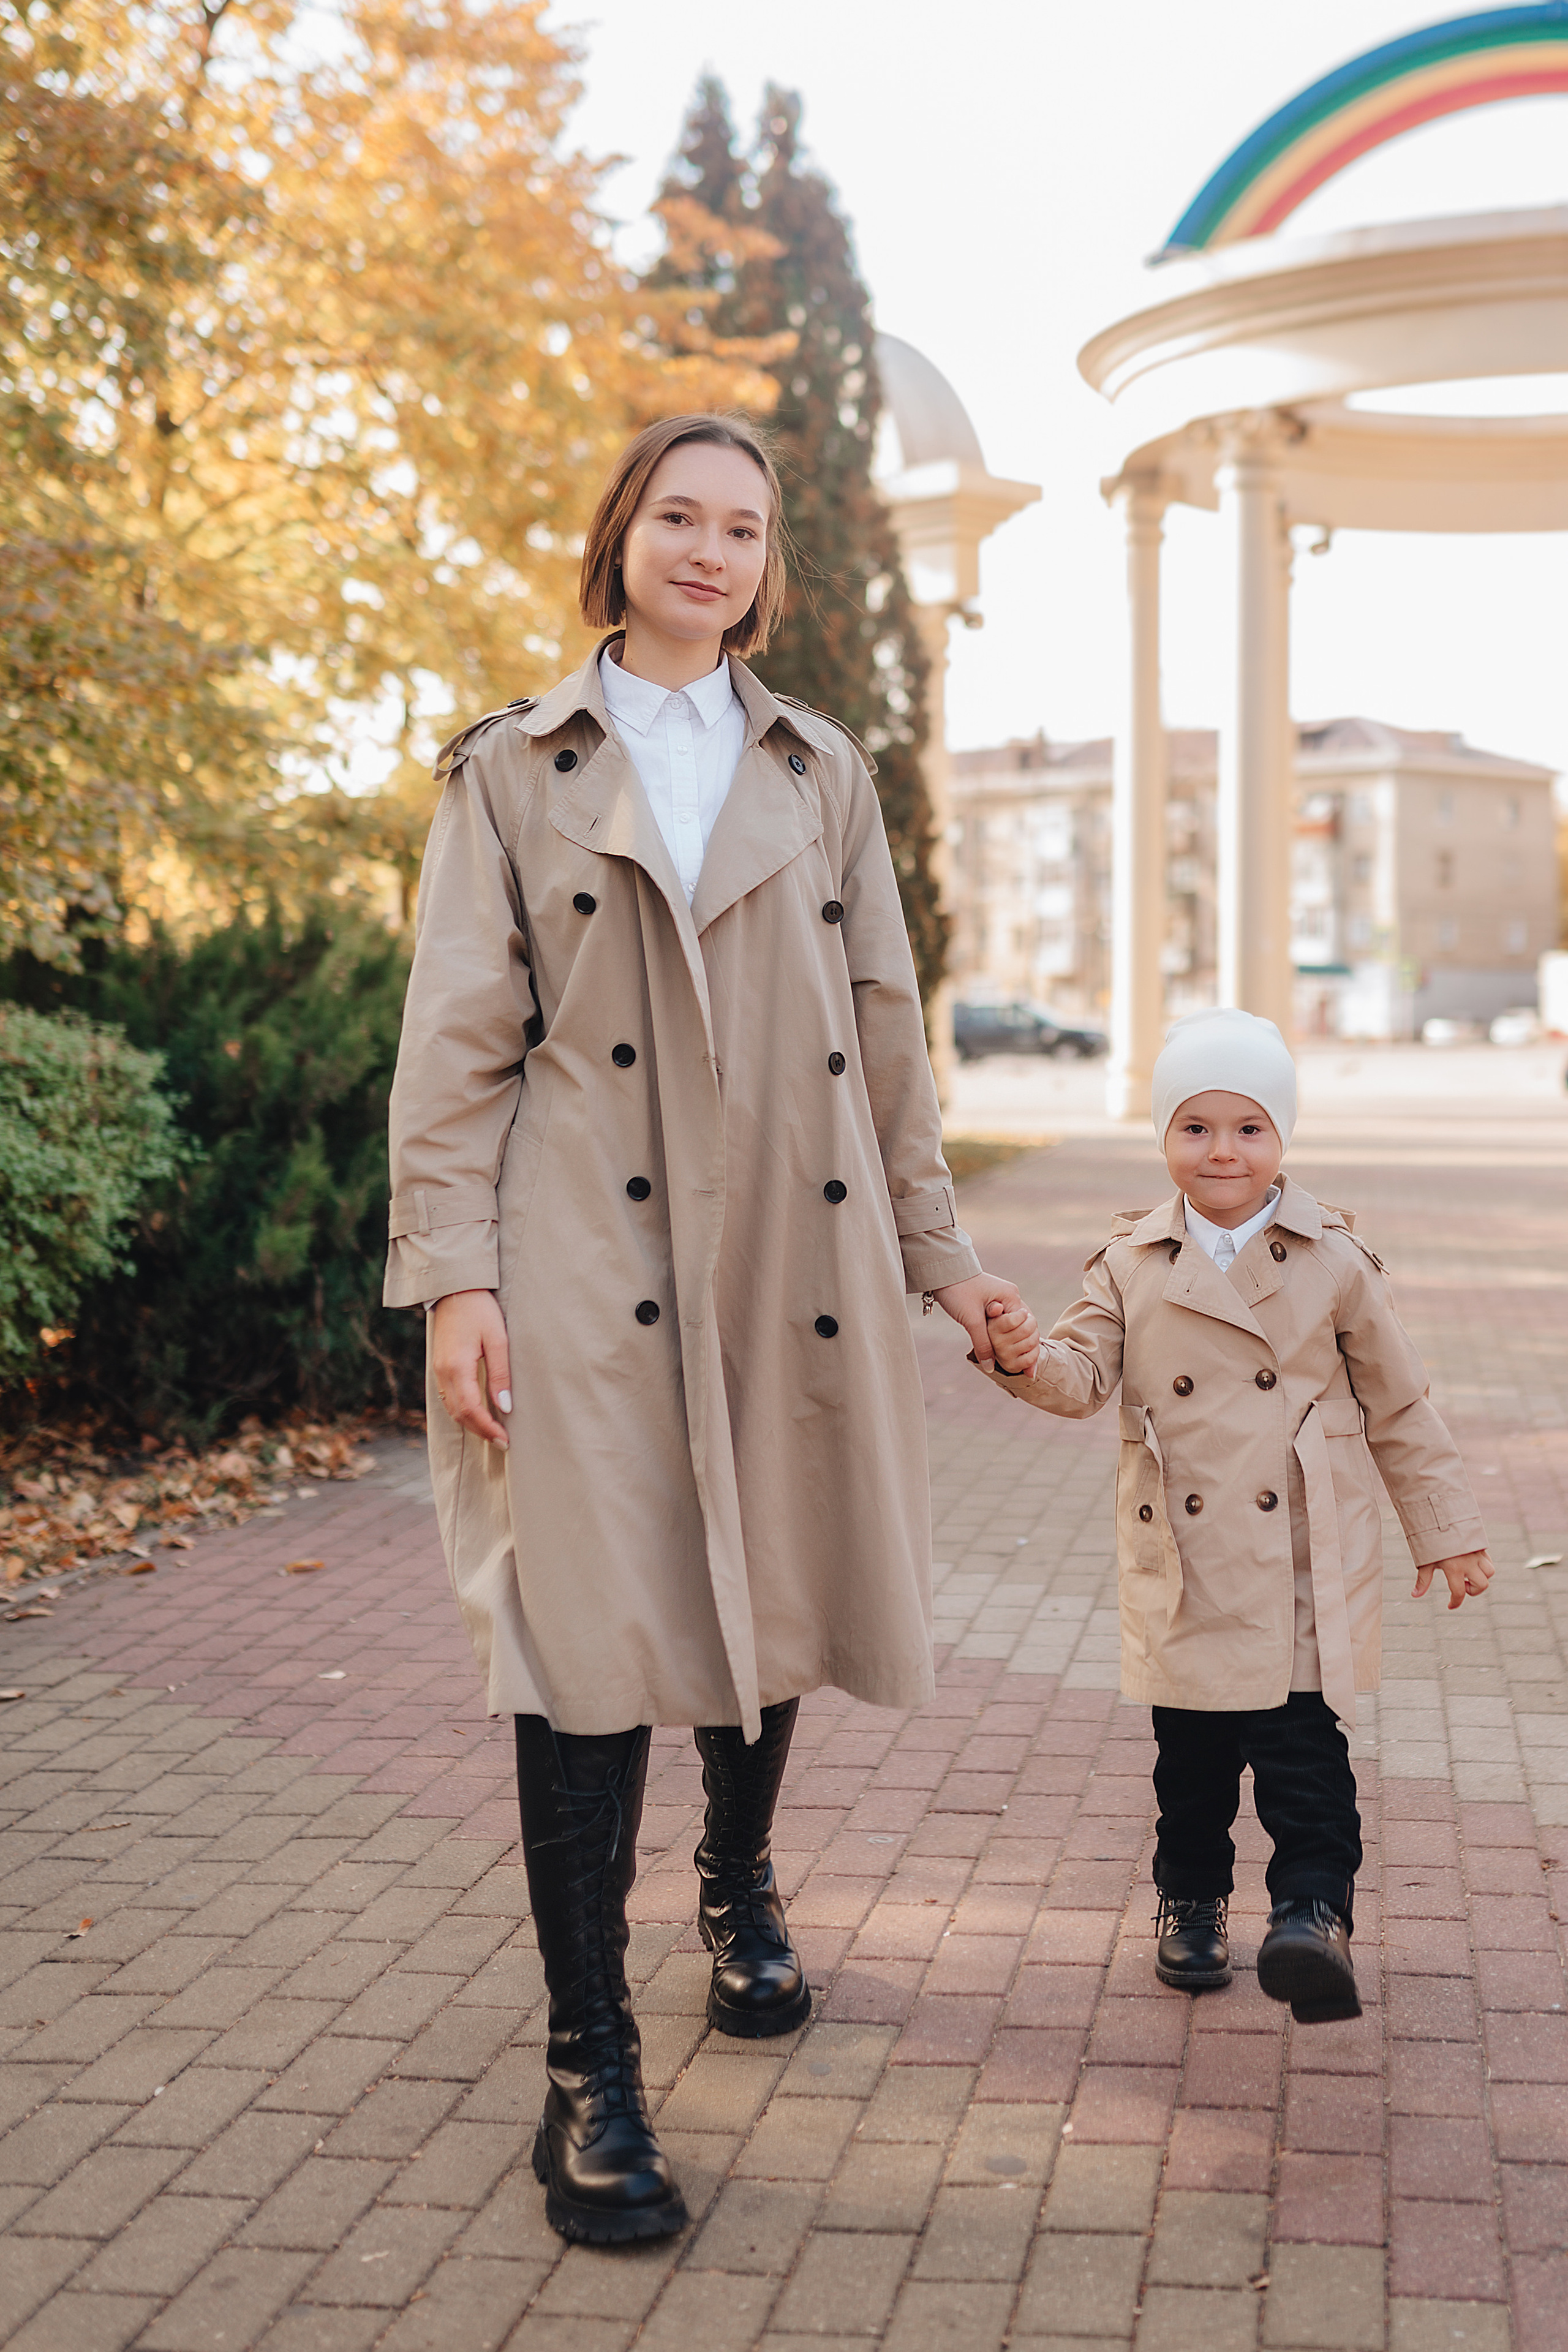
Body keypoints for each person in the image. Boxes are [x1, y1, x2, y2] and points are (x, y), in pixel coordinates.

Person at [383, 412, 1027, 2244]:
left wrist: (945, 1258)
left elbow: (888, 1026)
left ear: (766, 565)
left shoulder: (822, 769)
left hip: (789, 1240)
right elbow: (455, 1045)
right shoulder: (512, 769)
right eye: (680, 515)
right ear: (625, 535)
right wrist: (458, 1281)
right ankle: (589, 2062)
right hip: (580, 1240)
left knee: (769, 1578)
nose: (710, 549)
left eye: (744, 526)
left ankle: (736, 1885)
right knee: (580, 1628)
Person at [976, 1007, 1491, 2022]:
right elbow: (1082, 1379)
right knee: (1194, 1768)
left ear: (1282, 1138)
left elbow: (1399, 1403)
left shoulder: (1334, 1258)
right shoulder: (1129, 1262)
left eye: (1248, 1127)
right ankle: (1192, 1906)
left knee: (1308, 1756)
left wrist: (1450, 1530)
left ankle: (1311, 1917)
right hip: (1184, 1557)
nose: (1222, 1151)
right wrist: (1021, 1356)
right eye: (1196, 1127)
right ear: (1165, 1137)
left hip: (1301, 1552)